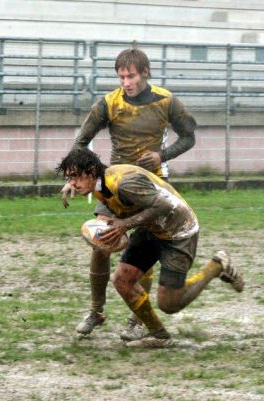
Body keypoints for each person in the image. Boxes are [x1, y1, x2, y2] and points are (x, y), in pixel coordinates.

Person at [62, 48, 197, 340]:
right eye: (121, 76)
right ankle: (96, 311)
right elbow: (81, 142)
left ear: (145, 73)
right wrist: (74, 176)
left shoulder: (167, 100)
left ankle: (137, 317)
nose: (126, 82)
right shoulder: (109, 103)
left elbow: (189, 136)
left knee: (138, 252)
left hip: (151, 186)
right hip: (114, 184)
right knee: (100, 243)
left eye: (131, 76)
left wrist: (162, 155)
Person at [57, 148, 244, 348]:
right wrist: (72, 183)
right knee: (122, 280)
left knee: (169, 304)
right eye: (70, 178)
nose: (73, 182)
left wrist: (125, 225)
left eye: (75, 176)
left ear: (92, 170)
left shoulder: (123, 182)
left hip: (178, 232)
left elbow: (164, 205)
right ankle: (160, 335)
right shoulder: (97, 183)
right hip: (151, 229)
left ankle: (216, 266)